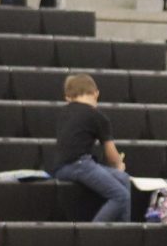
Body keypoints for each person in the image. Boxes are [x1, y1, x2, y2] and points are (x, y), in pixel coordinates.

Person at [50, 73, 131, 222]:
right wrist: (119, 165)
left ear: (68, 97)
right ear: (96, 93)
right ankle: (92, 234)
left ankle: (123, 230)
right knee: (121, 196)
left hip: (60, 167)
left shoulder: (63, 113)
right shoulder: (97, 116)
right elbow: (111, 155)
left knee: (123, 179)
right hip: (79, 164)